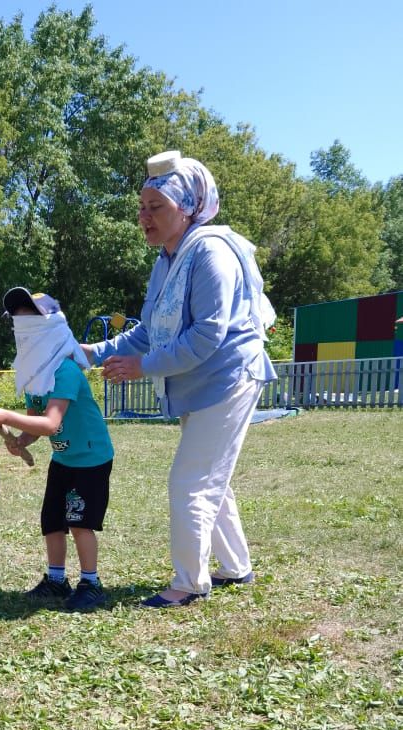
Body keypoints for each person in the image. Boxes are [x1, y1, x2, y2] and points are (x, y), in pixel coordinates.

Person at [86, 151, 276, 607]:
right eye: (142, 207)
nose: (144, 217)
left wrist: (143, 367)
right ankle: (236, 568)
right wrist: (93, 353)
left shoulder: (210, 251)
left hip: (229, 378)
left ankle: (189, 583)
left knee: (190, 482)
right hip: (199, 383)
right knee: (211, 477)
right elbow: (149, 332)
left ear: (187, 207)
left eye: (156, 207)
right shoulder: (166, 262)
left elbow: (208, 334)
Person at [0, 287, 114, 613]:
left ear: (50, 327)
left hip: (90, 459)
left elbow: (52, 423)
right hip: (63, 458)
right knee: (52, 520)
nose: (23, 332)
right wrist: (20, 440)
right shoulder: (35, 372)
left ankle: (91, 583)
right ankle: (57, 579)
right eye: (18, 324)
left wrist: (3, 415)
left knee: (80, 521)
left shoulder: (64, 370)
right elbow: (36, 423)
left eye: (30, 323)